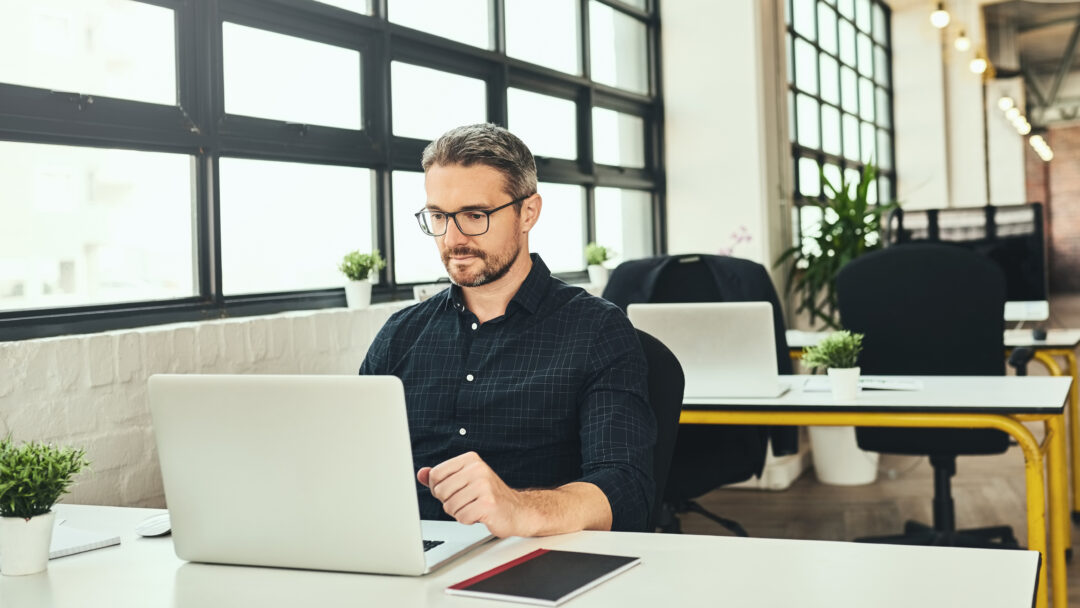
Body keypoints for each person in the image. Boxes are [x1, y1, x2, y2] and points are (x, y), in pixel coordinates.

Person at [359, 124, 656, 538]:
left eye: (475, 216)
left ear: (528, 213)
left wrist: (519, 508)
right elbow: (354, 467)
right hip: (406, 559)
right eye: (439, 217)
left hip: (538, 561)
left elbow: (627, 488)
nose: (453, 237)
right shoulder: (400, 335)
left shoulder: (596, 330)